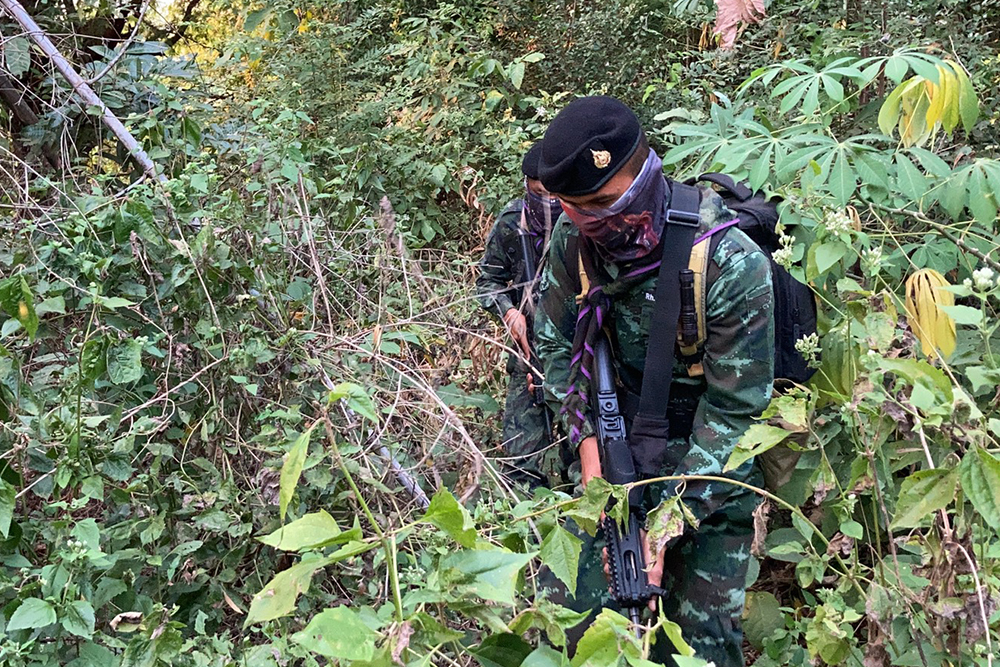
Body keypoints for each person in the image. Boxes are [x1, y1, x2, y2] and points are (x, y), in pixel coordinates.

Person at [533, 96, 775, 666]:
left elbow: (737, 414)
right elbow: (554, 345)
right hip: (611, 449)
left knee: (698, 645)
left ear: (646, 173)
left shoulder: (726, 262)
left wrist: (668, 521)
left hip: (709, 461)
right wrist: (586, 444)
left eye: (610, 202)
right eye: (579, 208)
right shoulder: (575, 243)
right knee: (574, 626)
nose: (598, 221)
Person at [476, 142, 564, 491]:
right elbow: (488, 282)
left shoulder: (583, 220)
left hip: (579, 350)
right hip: (528, 352)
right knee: (521, 456)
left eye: (555, 193)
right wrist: (510, 312)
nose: (548, 202)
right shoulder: (512, 222)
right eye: (539, 192)